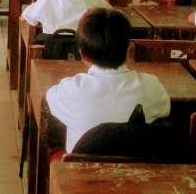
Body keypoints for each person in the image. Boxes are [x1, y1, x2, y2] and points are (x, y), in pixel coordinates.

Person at [46, 8, 171, 152]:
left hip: (83, 172)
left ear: (83, 55)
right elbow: (165, 109)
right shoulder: (151, 86)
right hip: (134, 172)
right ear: (130, 50)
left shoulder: (70, 90)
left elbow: (50, 98)